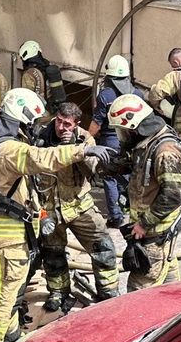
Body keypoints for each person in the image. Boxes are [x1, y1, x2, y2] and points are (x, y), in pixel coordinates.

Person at [0, 88, 113, 342]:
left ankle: (9, 337)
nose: (33, 128)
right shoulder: (10, 149)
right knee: (5, 295)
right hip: (8, 234)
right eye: (30, 123)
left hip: (9, 228)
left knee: (11, 290)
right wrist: (81, 150)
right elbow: (40, 159)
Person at [35, 101, 119, 311]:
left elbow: (92, 171)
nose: (61, 127)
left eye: (67, 124)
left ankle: (108, 294)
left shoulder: (84, 138)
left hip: (79, 205)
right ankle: (58, 293)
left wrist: (76, 148)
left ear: (76, 124)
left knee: (103, 247)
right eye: (59, 122)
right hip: (49, 207)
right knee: (52, 254)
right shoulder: (40, 136)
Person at [105, 94, 181, 291]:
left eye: (123, 131)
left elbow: (173, 195)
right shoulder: (146, 141)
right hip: (156, 232)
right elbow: (138, 166)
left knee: (139, 287)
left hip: (156, 231)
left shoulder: (165, 151)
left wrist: (144, 224)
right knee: (168, 271)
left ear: (134, 125)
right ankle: (177, 308)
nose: (122, 136)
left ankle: (143, 321)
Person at [87, 54, 140, 228]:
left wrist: (85, 140)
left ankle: (116, 216)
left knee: (109, 176)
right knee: (127, 173)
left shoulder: (105, 95)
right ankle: (126, 207)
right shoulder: (137, 93)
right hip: (133, 141)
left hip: (110, 139)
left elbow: (96, 122)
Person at [18, 40, 55, 111]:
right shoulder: (48, 68)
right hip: (51, 110)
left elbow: (27, 97)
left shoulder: (29, 74)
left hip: (37, 113)